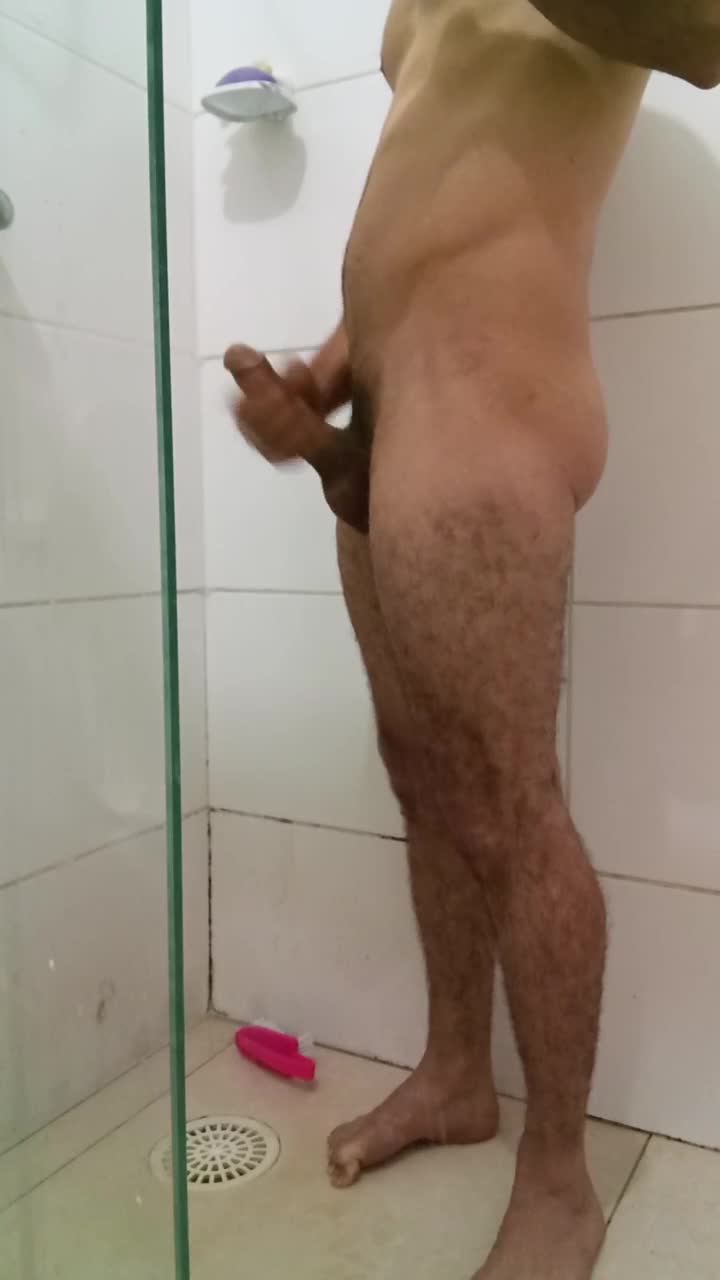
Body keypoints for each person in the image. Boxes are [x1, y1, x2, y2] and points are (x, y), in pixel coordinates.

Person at [224, 3, 720, 1276]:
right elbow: (422, 215)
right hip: (390, 412)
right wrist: (322, 380)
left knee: (509, 801)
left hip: (491, 393)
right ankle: (456, 1072)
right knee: (422, 772)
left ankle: (560, 1182)